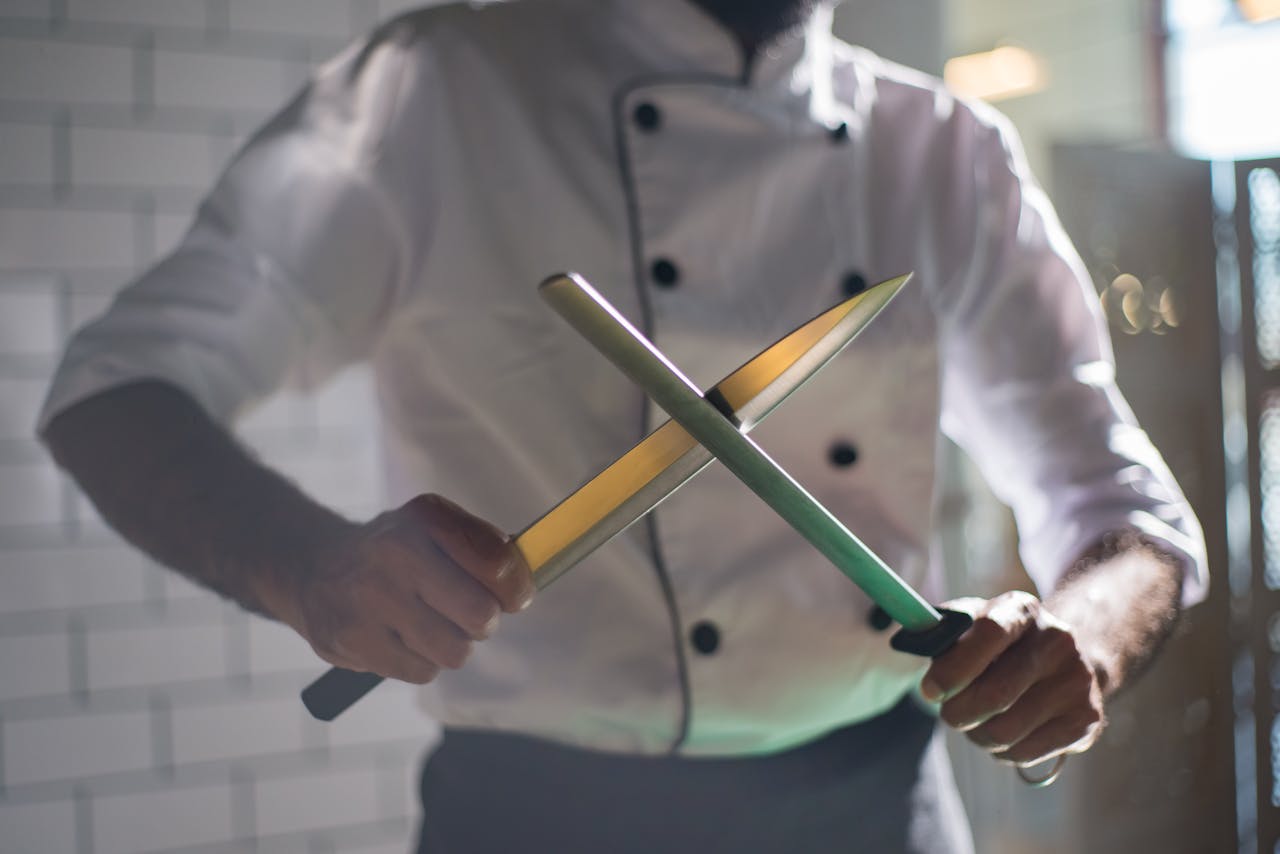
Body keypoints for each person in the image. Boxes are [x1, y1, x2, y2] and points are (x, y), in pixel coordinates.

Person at [38, 0, 1207, 851]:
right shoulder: (433, 91)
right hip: (538, 818)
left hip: (875, 810)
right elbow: (120, 386)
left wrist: (1077, 640)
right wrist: (312, 567)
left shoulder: (946, 152)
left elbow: (1122, 514)